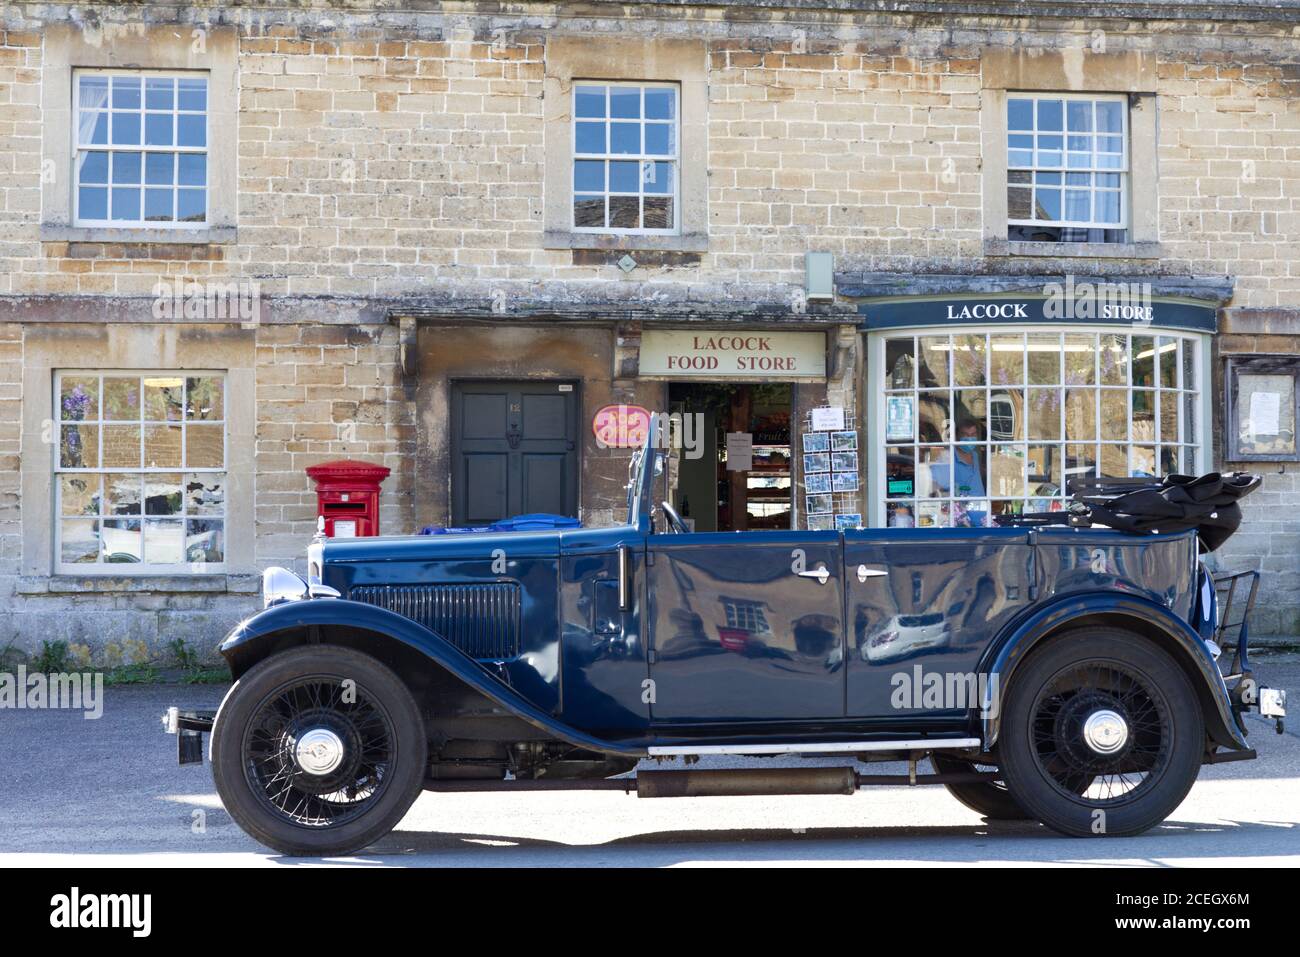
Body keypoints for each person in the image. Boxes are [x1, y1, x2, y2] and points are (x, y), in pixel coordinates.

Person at [929, 419, 987, 527]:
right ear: (956, 436)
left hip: (982, 520)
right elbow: (933, 485)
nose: (970, 438)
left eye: (973, 434)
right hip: (960, 522)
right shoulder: (947, 457)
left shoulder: (975, 455)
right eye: (965, 434)